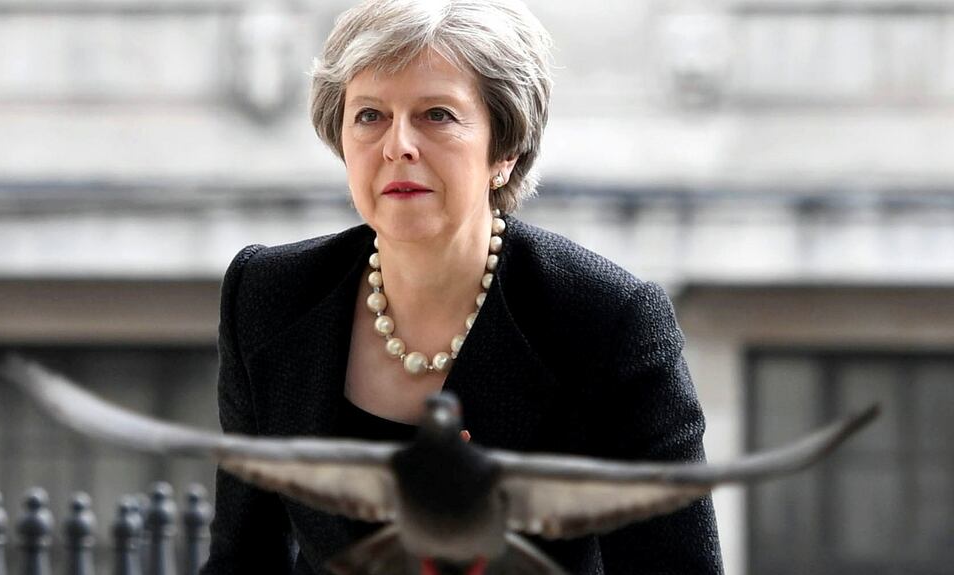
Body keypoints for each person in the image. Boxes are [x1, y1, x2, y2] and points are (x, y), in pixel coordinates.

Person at [201, 0, 723, 573]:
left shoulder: (609, 321)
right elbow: (242, 559)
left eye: (437, 115)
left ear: (505, 149)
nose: (398, 145)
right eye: (370, 115)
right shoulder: (267, 296)